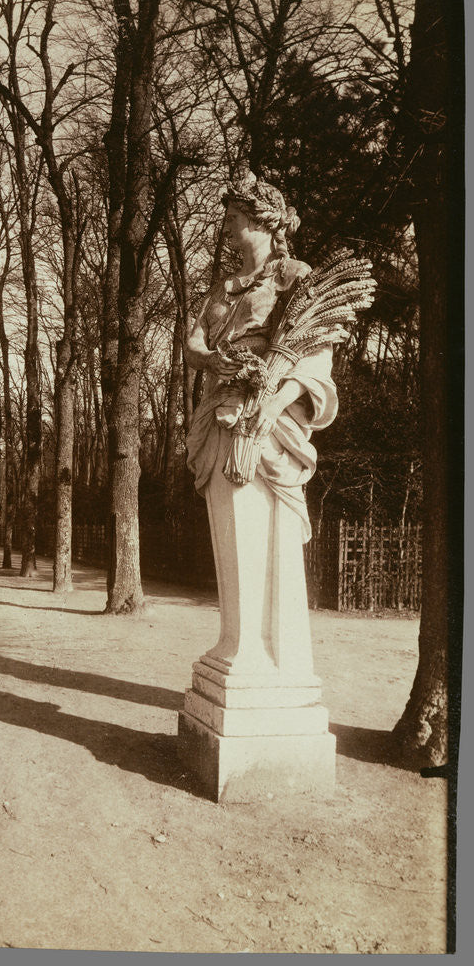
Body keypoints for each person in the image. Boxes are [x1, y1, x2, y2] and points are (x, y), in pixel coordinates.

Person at [184, 173, 338, 681]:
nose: (225, 228)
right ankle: (235, 643)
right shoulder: (223, 287)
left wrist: (273, 405)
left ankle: (263, 653)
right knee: (228, 539)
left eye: (233, 218)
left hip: (266, 422)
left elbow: (314, 352)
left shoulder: (295, 275)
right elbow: (196, 345)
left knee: (261, 539)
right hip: (222, 413)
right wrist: (209, 363)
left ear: (263, 221)